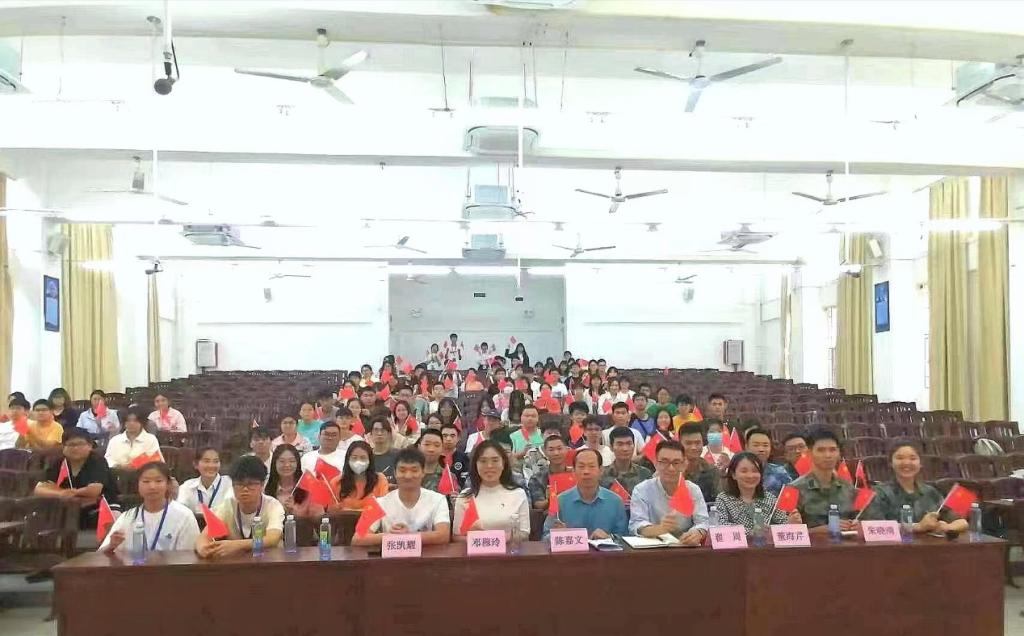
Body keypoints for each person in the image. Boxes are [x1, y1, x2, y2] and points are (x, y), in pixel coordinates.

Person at [351, 447, 451, 546]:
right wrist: (391, 537)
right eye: (402, 470)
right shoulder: (379, 502)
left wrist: (408, 536)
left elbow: (443, 535)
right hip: (391, 555)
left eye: (414, 470)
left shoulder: (438, 500)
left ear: (423, 472)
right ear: (395, 473)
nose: (408, 476)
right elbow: (357, 538)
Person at [862, 441, 969, 533]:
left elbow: (962, 522)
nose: (906, 463)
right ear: (891, 463)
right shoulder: (878, 493)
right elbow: (873, 528)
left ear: (920, 463)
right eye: (900, 458)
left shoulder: (930, 492)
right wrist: (918, 527)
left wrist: (947, 527)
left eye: (912, 458)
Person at [99, 462, 200, 554]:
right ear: (138, 485)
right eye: (146, 481)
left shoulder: (184, 515)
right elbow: (100, 553)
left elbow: (188, 556)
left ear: (168, 484)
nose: (152, 486)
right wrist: (111, 546)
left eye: (158, 481)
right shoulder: (128, 516)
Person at [196, 456, 285, 558]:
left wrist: (237, 545)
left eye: (251, 484)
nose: (245, 489)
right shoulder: (228, 505)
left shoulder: (273, 505)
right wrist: (203, 548)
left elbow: (272, 539)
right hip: (237, 563)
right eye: (239, 484)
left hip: (269, 561)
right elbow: (204, 536)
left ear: (262, 485)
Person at [34, 427, 121, 527]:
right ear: (63, 447)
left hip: (102, 508)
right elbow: (39, 489)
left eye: (80, 444)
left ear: (90, 446)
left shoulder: (97, 461)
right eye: (71, 444)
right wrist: (61, 494)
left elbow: (94, 491)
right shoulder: (60, 462)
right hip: (71, 508)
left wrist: (73, 492)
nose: (75, 448)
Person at [628, 440, 709, 545]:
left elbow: (703, 522)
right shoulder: (641, 490)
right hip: (652, 548)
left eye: (676, 463)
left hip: (685, 546)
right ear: (656, 463)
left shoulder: (693, 490)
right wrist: (660, 529)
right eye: (664, 462)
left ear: (684, 464)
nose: (670, 468)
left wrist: (697, 533)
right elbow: (636, 525)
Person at [452, 440, 531, 539]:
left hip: (510, 548)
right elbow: (457, 536)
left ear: (503, 463)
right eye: (483, 461)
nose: (489, 466)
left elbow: (524, 533)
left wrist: (499, 539)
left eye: (495, 460)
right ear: (475, 465)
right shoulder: (465, 496)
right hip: (475, 549)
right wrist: (484, 541)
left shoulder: (518, 494)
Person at [545, 448, 628, 539]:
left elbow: (624, 537)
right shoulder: (559, 501)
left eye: (591, 466)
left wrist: (609, 537)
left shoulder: (615, 501)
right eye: (581, 467)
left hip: (605, 548)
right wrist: (559, 535)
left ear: (601, 470)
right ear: (573, 471)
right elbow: (545, 535)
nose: (586, 471)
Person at [714, 452, 801, 535]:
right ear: (733, 475)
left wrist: (790, 523)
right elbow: (721, 526)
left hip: (764, 545)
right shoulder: (723, 499)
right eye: (744, 471)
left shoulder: (769, 498)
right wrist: (751, 532)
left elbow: (782, 522)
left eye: (755, 471)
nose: (750, 476)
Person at [789, 428, 857, 532]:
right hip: (811, 542)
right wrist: (822, 530)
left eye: (832, 450)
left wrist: (856, 525)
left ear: (839, 453)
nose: (828, 455)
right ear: (809, 453)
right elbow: (782, 532)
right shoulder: (791, 489)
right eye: (821, 450)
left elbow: (860, 520)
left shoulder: (849, 487)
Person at [265, 444, 322, 518]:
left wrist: (294, 510)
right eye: (282, 461)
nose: (287, 465)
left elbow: (319, 520)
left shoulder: (309, 488)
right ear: (274, 463)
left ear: (298, 463)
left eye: (292, 461)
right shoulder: (266, 488)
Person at [332, 441, 389, 510]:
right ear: (348, 459)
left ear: (370, 460)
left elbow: (383, 507)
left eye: (363, 458)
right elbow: (332, 509)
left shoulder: (380, 479)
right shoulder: (337, 482)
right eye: (354, 458)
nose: (358, 461)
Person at [177, 447, 233, 514]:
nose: (211, 465)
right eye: (206, 461)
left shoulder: (230, 484)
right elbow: (180, 510)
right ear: (196, 464)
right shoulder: (187, 486)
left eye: (216, 461)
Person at [600, 427, 653, 498]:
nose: (625, 449)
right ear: (611, 447)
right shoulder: (601, 475)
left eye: (629, 443)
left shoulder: (645, 474)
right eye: (620, 444)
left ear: (634, 445)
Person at [529, 434, 574, 511]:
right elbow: (538, 504)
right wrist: (552, 499)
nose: (556, 453)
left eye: (559, 448)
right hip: (550, 514)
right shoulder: (537, 478)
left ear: (567, 449)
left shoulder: (576, 474)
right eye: (551, 450)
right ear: (545, 452)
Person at [678, 423, 721, 503]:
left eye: (697, 443)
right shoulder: (671, 470)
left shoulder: (712, 471)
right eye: (688, 443)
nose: (693, 447)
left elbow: (719, 501)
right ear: (680, 444)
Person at [744, 427, 791, 495]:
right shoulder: (738, 472)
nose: (761, 449)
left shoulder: (780, 472)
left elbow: (791, 496)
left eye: (765, 445)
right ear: (747, 447)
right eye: (756, 445)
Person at [369, 417, 401, 483]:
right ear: (371, 434)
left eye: (383, 430)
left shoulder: (399, 455)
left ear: (389, 434)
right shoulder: (366, 456)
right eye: (376, 430)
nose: (379, 433)